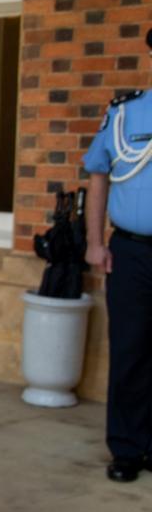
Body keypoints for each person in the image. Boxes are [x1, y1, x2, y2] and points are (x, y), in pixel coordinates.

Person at [83, 26, 152, 484]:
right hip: (133, 253)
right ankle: (127, 448)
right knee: (130, 351)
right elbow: (98, 177)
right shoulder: (126, 114)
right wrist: (94, 242)